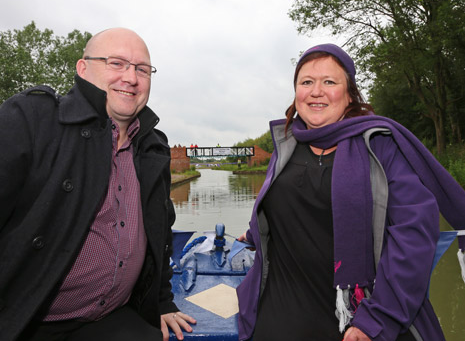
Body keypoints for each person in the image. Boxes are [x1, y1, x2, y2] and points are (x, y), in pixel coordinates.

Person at [236, 44, 465, 341]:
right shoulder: (287, 143)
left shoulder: (380, 146)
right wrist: (255, 233)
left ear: (349, 95)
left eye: (329, 82)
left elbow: (414, 235)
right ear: (296, 92)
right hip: (282, 312)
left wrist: (378, 318)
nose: (316, 91)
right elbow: (277, 203)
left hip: (360, 316)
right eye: (306, 82)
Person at [0, 28, 196, 341]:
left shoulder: (152, 147)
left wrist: (161, 302)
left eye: (142, 69)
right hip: (27, 322)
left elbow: (161, 235)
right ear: (83, 68)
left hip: (110, 318)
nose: (131, 78)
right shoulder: (32, 119)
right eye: (116, 63)